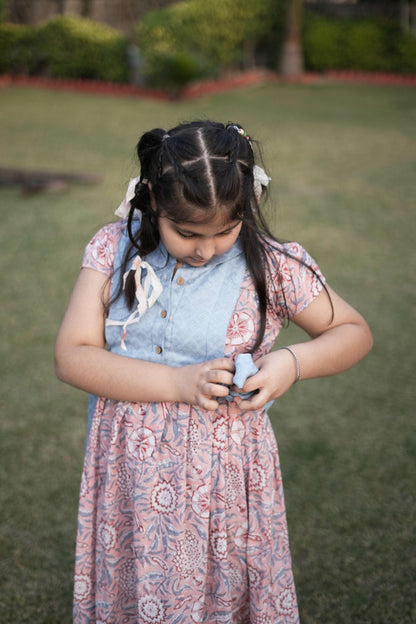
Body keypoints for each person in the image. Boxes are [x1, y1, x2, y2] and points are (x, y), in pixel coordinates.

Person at [55, 120, 373, 624]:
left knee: (215, 591)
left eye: (226, 230)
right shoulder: (112, 250)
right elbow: (72, 356)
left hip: (223, 485)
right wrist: (177, 384)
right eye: (186, 233)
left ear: (246, 207)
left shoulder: (272, 265)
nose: (206, 248)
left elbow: (353, 331)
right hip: (129, 477)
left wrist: (291, 364)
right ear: (154, 204)